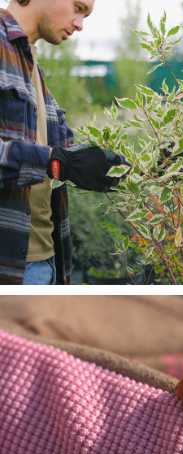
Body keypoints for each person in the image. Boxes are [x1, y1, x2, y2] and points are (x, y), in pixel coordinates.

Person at [0, 0, 125, 285]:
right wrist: (55, 163)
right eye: (78, 7)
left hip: (46, 262)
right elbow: (58, 160)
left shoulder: (32, 68)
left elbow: (76, 156)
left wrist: (159, 169)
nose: (80, 24)